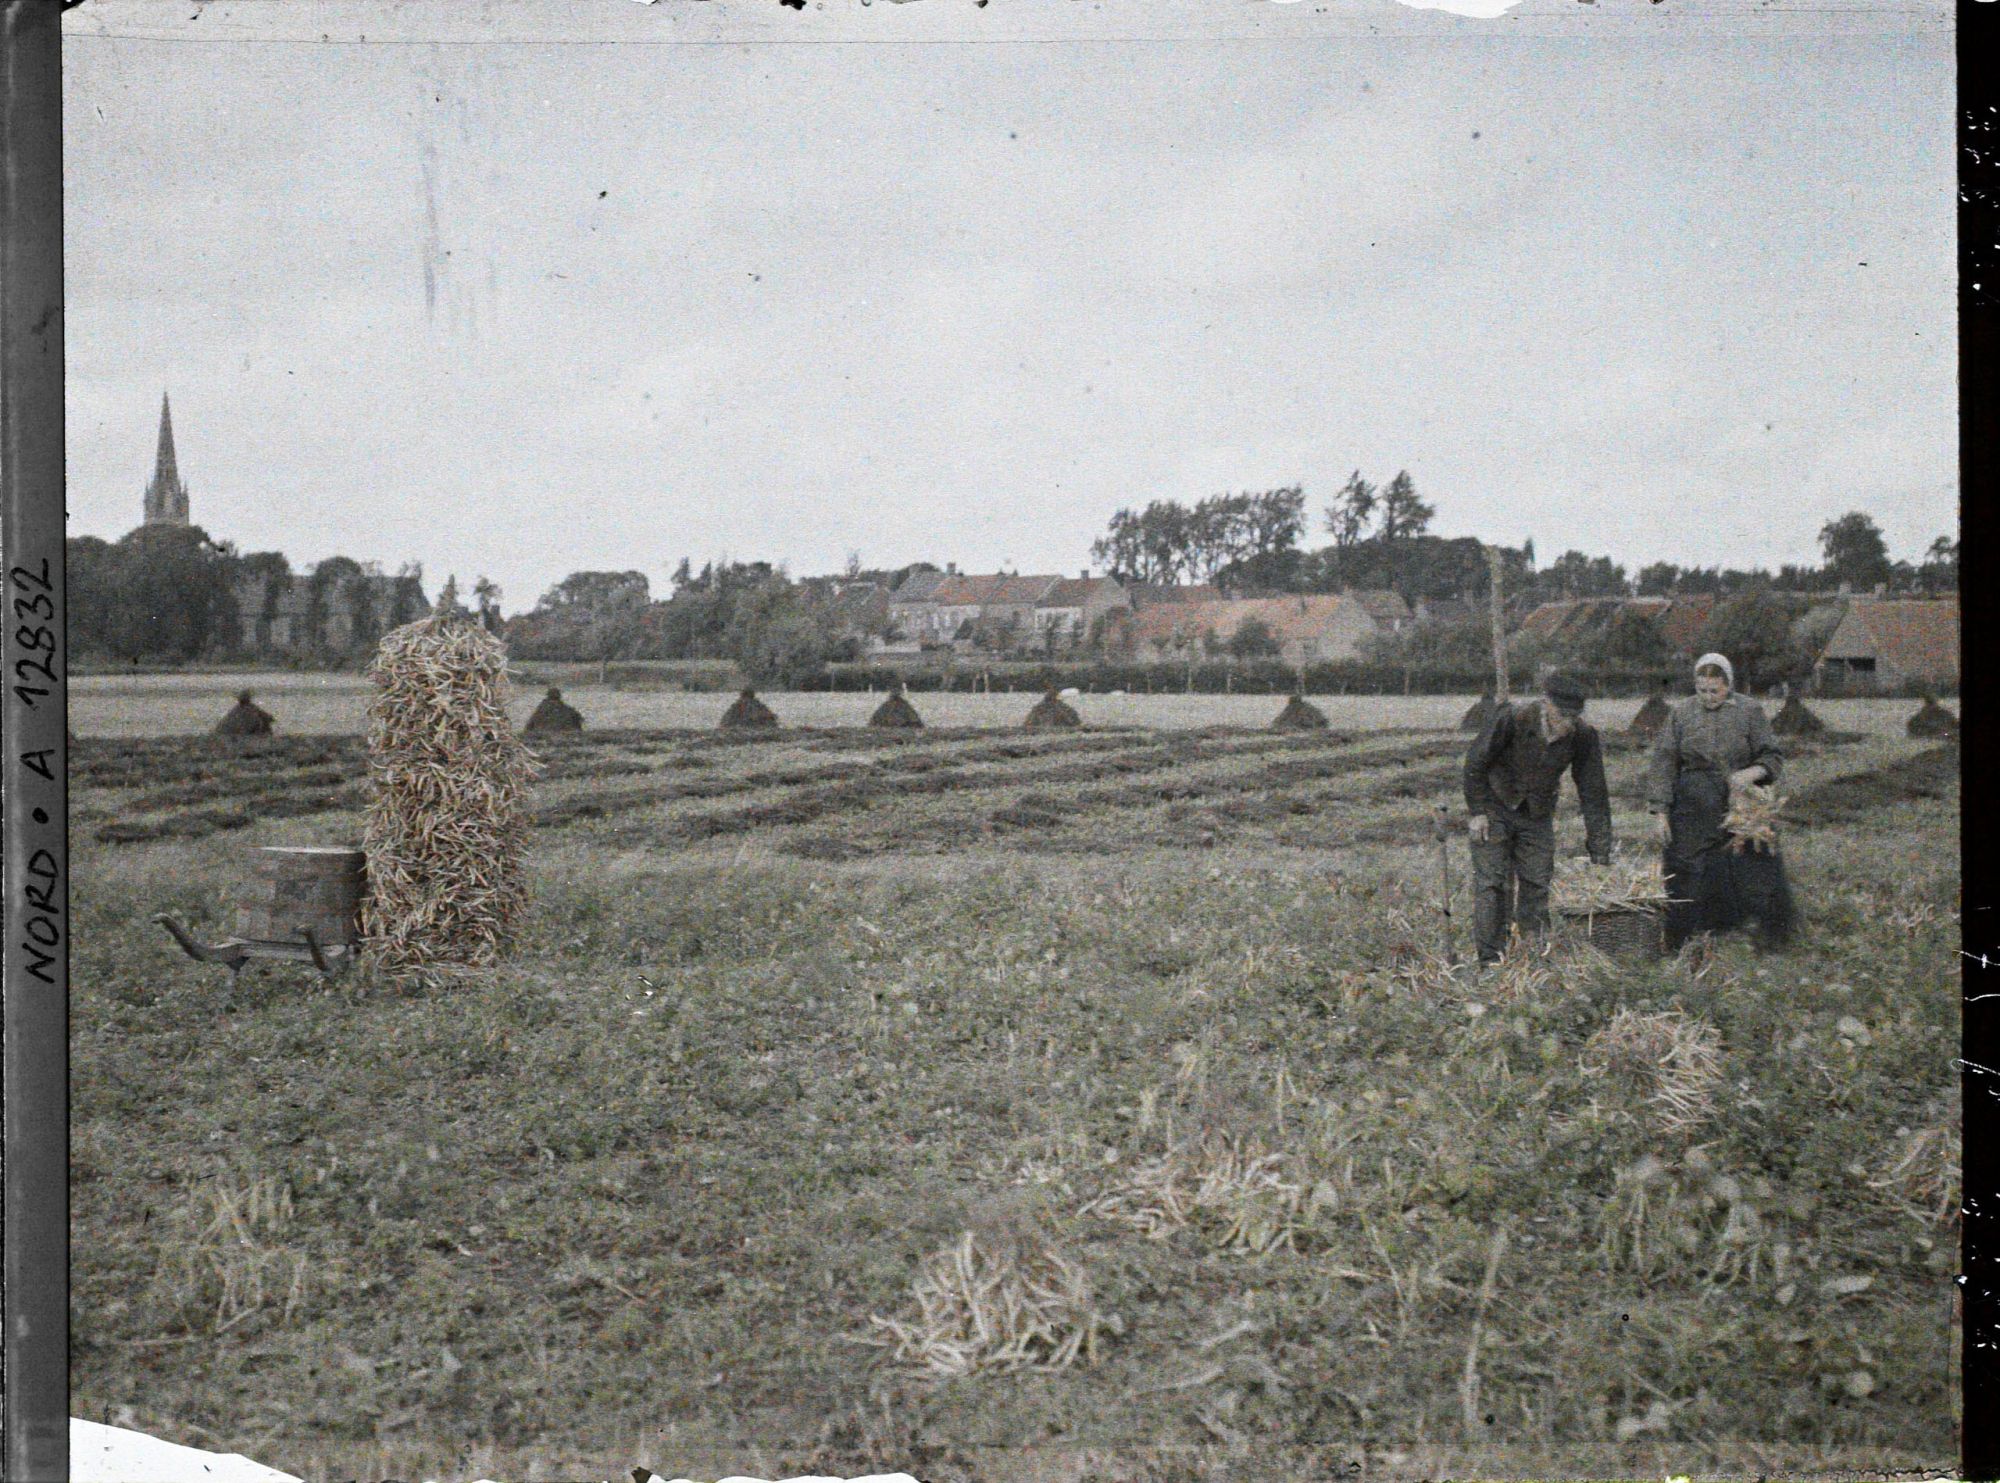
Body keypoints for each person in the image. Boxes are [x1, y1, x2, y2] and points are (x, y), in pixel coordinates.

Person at [1646, 652, 1795, 951]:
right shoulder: (1681, 714)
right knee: (1687, 869)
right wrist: (1660, 811)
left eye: (1715, 690)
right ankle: (1685, 940)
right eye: (1702, 690)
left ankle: (1762, 936)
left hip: (1743, 802)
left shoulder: (1750, 711)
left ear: (1729, 685)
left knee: (1754, 866)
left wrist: (1750, 774)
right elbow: (1664, 762)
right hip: (1693, 801)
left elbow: (1772, 756)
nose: (1708, 697)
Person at [1462, 672, 1614, 965]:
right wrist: (1478, 811)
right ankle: (1491, 961)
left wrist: (1600, 849)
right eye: (1561, 715)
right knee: (1492, 883)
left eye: (1574, 717)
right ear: (1546, 704)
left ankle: (1533, 956)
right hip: (1495, 804)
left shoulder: (1582, 736)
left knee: (1537, 883)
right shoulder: (1512, 718)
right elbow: (1476, 761)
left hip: (1537, 814)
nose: (1566, 724)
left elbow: (1594, 792)